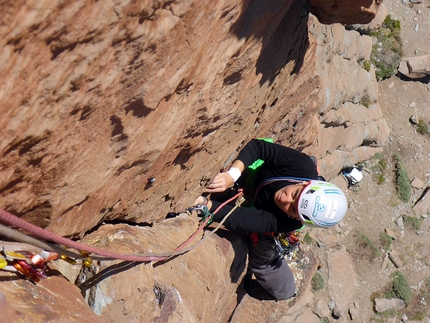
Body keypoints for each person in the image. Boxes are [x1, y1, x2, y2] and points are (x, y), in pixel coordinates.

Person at [195, 138, 348, 300]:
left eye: (292, 208)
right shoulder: (302, 168)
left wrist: (204, 204)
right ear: (305, 183)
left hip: (266, 214)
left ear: (297, 217)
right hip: (261, 186)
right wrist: (232, 175)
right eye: (295, 194)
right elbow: (258, 147)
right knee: (304, 162)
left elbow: (241, 218)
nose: (285, 200)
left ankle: (277, 291)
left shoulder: (289, 221)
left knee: (283, 289)